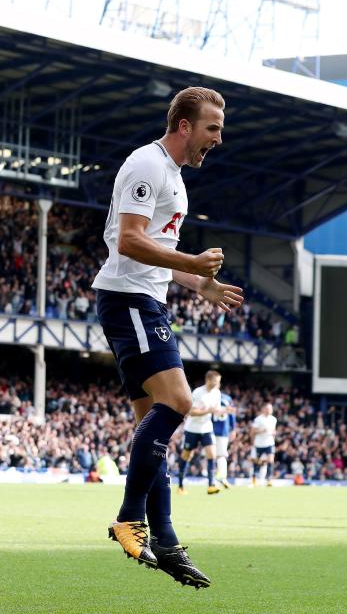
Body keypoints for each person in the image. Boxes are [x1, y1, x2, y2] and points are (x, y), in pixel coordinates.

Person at [93, 86, 243, 589]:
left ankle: (166, 539)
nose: (217, 140)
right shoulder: (148, 165)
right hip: (129, 301)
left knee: (150, 433)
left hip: (142, 298)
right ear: (185, 126)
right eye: (212, 129)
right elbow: (130, 241)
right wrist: (192, 262)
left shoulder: (174, 177)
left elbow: (152, 252)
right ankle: (129, 516)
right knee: (179, 400)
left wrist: (200, 283)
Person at [177, 370, 225, 495]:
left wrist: (224, 411)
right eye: (216, 381)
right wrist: (208, 411)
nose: (217, 384)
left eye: (218, 381)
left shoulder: (217, 393)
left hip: (207, 428)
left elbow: (216, 409)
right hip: (192, 428)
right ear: (208, 380)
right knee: (187, 455)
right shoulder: (197, 392)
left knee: (212, 455)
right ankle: (180, 485)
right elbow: (191, 412)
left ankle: (211, 485)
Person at [212, 387, 237, 489]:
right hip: (215, 430)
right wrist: (233, 429)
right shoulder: (227, 398)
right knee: (219, 455)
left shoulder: (212, 397)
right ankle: (219, 478)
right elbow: (232, 414)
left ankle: (220, 478)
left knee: (219, 455)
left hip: (217, 430)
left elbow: (232, 414)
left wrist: (233, 429)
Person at [250, 403, 277, 486]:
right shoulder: (258, 419)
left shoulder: (273, 419)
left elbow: (273, 431)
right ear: (264, 409)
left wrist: (273, 433)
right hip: (259, 444)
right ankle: (254, 478)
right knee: (257, 461)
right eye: (268, 409)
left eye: (271, 409)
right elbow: (253, 432)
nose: (270, 410)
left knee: (270, 460)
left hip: (269, 443)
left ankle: (269, 479)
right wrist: (262, 431)